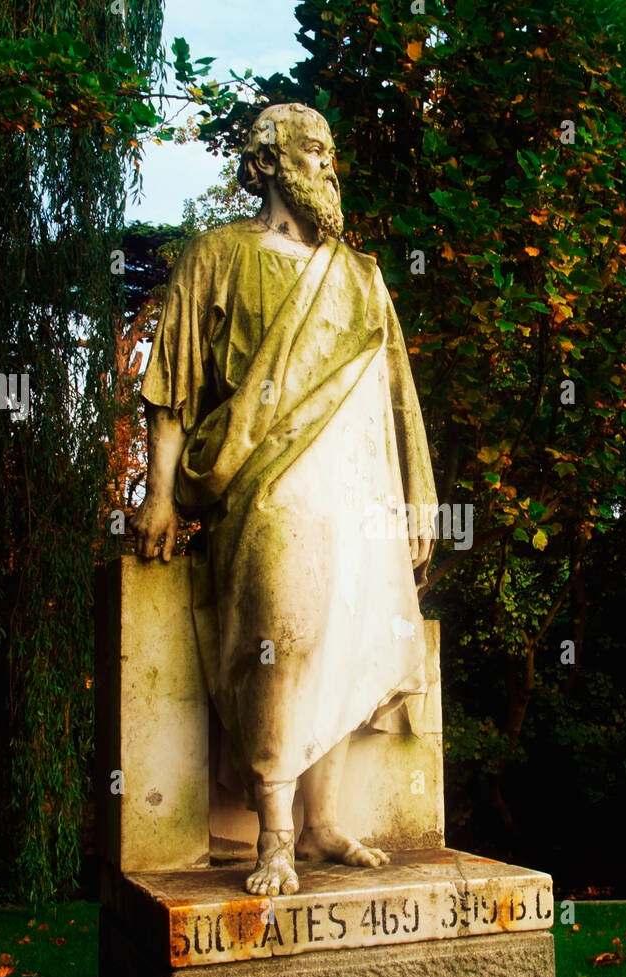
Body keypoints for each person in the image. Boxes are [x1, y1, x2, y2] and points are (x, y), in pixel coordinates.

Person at [130, 103, 436, 897]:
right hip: (264, 486)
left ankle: (323, 822)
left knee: (342, 635)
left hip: (360, 489)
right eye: (311, 150)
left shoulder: (361, 275)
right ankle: (274, 834)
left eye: (331, 151)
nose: (328, 165)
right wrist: (161, 494)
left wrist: (416, 499)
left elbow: (399, 398)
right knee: (286, 629)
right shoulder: (219, 254)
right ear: (266, 164)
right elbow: (173, 382)